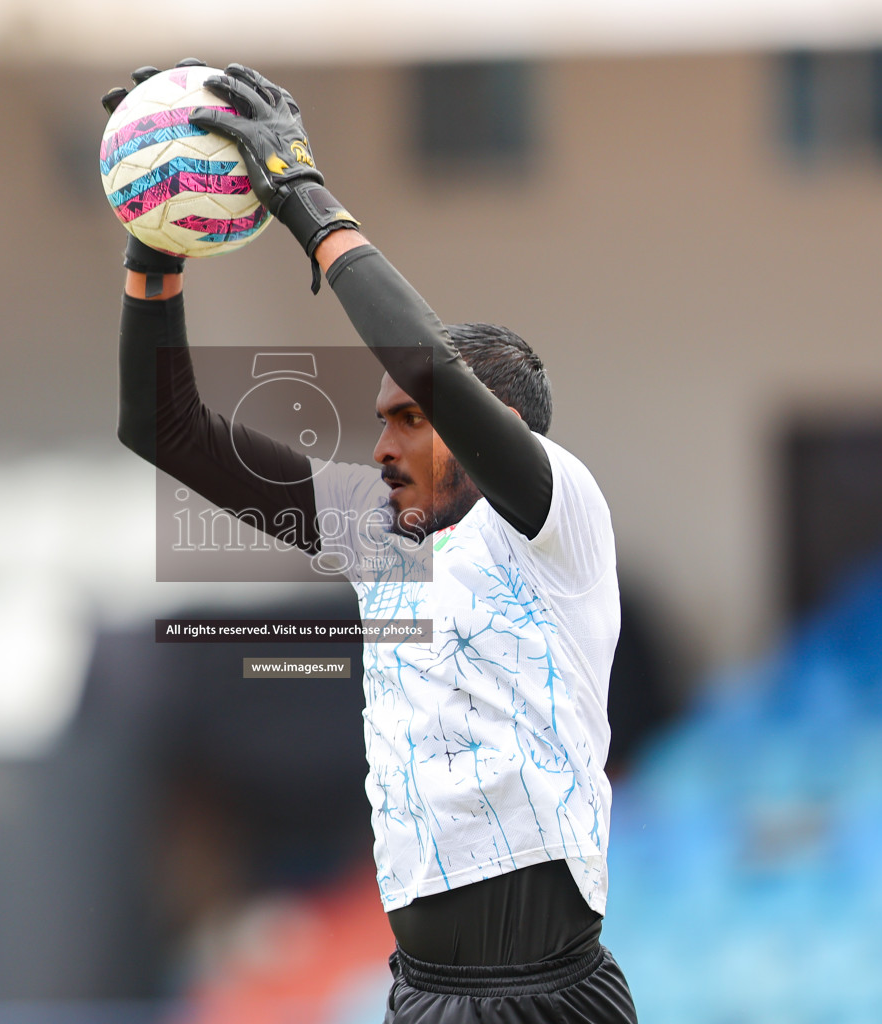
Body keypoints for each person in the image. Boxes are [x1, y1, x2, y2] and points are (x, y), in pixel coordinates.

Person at [105, 60, 639, 1023]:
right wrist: (155, 246)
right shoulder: (374, 530)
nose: (382, 443)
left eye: (408, 420)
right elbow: (163, 427)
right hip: (421, 999)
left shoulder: (558, 520)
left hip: (550, 997)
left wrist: (305, 195)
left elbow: (426, 365)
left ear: (497, 425)